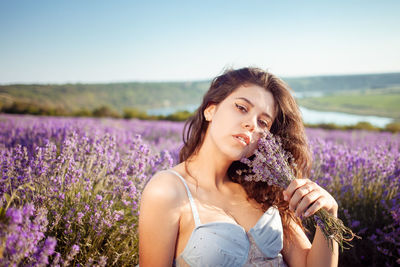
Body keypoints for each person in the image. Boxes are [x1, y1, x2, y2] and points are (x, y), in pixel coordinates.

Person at [138, 67, 339, 267]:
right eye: (241, 108)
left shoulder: (265, 191)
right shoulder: (168, 190)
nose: (252, 124)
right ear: (210, 110)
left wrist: (329, 214)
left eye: (263, 122)